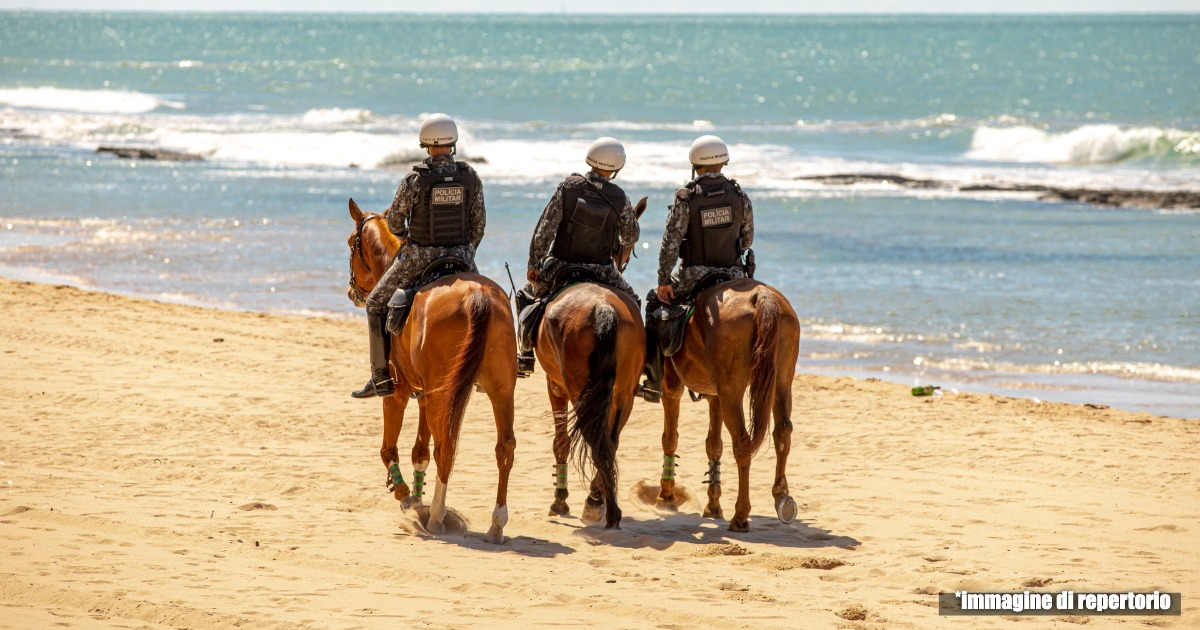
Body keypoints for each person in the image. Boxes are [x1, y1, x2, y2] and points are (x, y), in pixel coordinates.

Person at [352, 113, 486, 398]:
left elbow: (395, 222)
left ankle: (381, 377)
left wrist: (410, 239)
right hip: (463, 256)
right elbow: (479, 225)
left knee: (375, 302)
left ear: (425, 144)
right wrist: (464, 250)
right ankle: (487, 369)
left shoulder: (415, 179)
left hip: (419, 256)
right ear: (454, 142)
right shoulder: (470, 176)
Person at [639, 135, 754, 403]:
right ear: (723, 162)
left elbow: (670, 242)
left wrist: (664, 279)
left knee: (653, 304)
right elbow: (747, 239)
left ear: (695, 164)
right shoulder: (739, 195)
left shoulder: (687, 197)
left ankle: (654, 381)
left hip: (693, 276)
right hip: (734, 275)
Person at [514, 137, 641, 376]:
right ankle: (644, 362)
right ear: (617, 167)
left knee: (524, 296)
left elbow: (544, 230)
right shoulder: (620, 198)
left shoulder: (569, 187)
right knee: (633, 301)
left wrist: (534, 264)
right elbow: (631, 236)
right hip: (602, 270)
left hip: (561, 265)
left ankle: (526, 352)